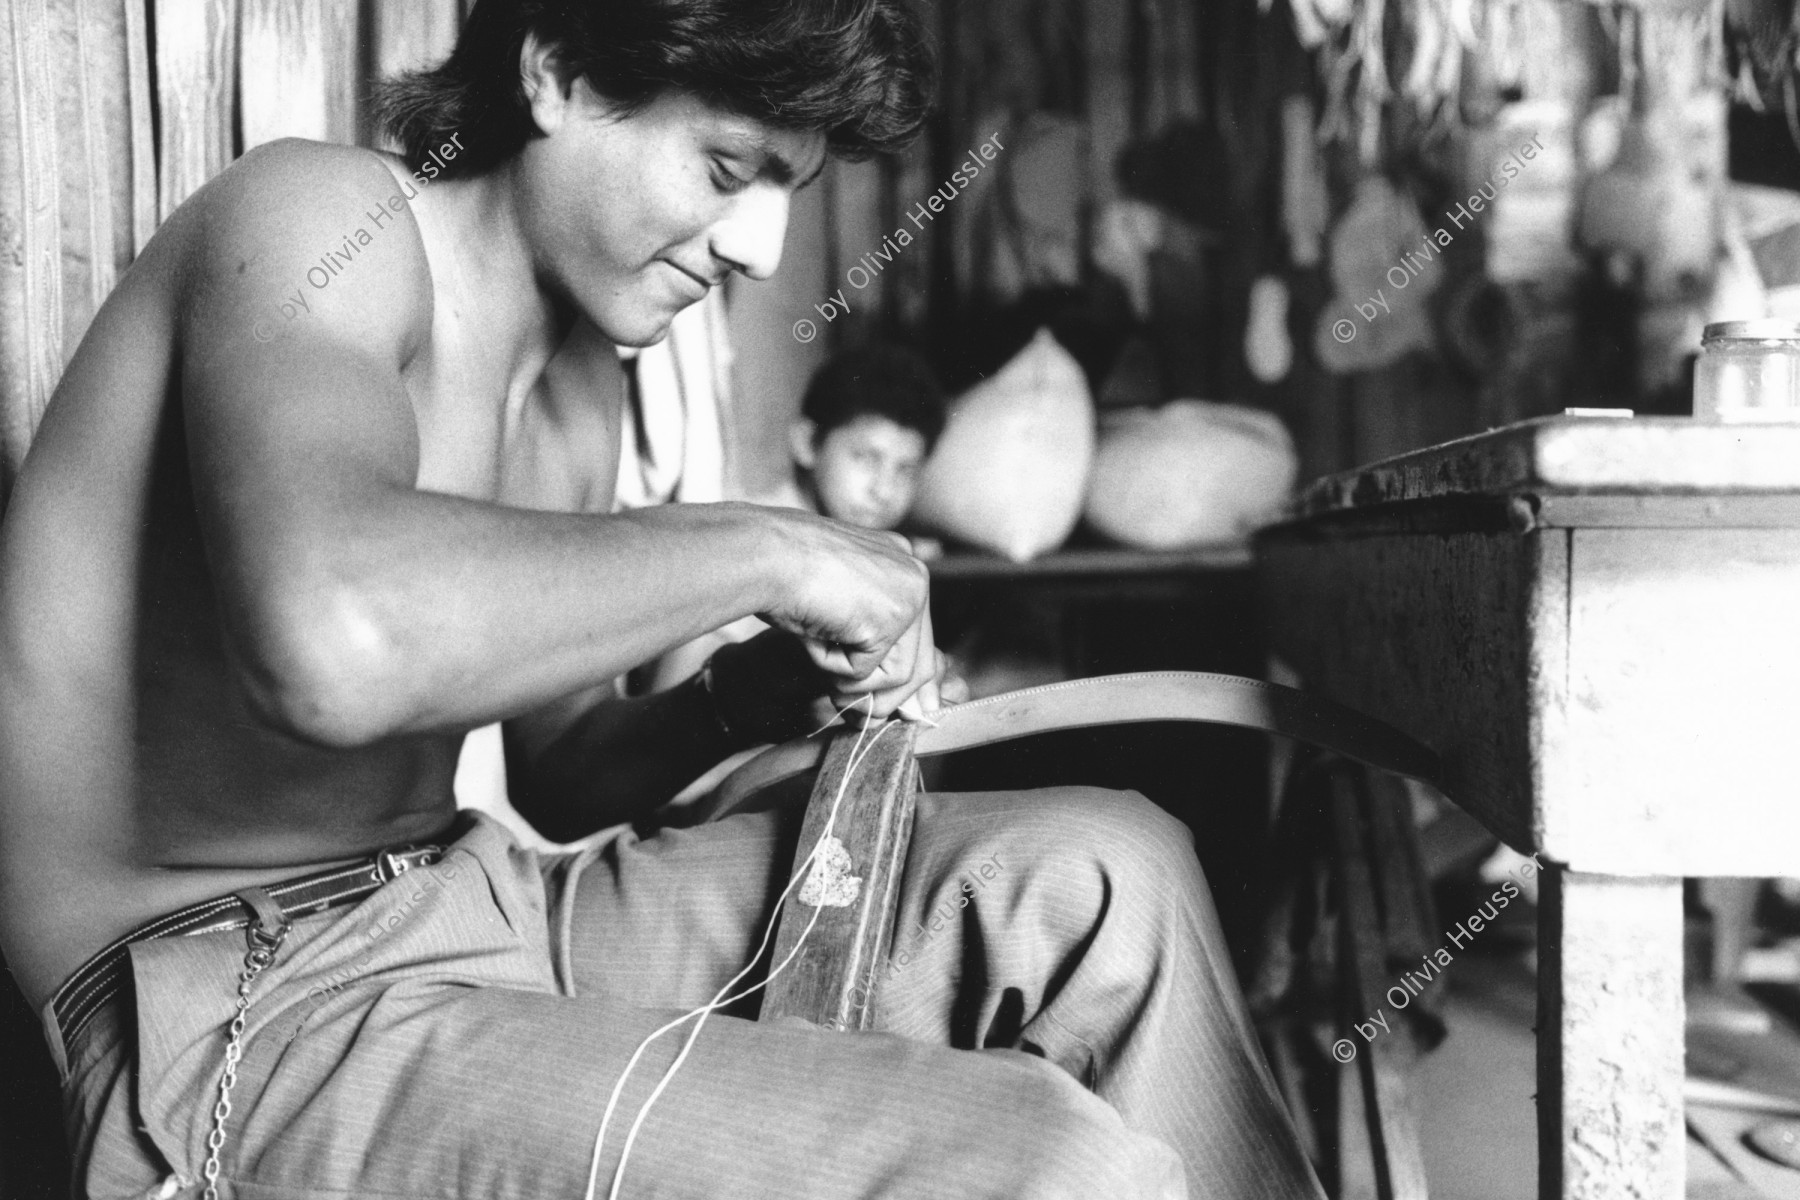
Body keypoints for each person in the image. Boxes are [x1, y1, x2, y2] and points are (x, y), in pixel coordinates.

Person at [0, 2, 1325, 1198]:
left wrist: (742, 692)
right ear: (560, 74)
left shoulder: (577, 383)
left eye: (788, 190)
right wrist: (769, 544)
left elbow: (564, 774)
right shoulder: (315, 223)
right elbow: (333, 647)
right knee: (1050, 1169)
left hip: (477, 903)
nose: (757, 245)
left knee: (1110, 877)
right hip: (227, 1000)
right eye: (727, 168)